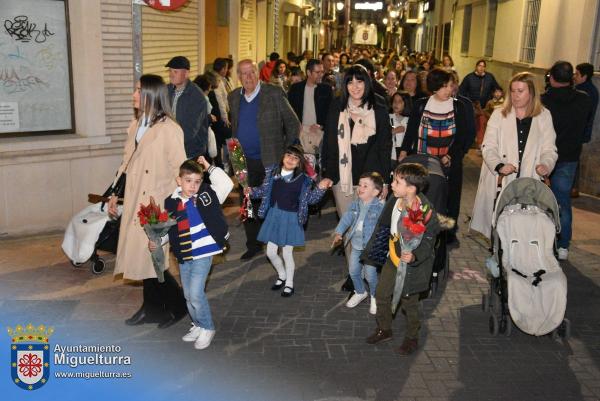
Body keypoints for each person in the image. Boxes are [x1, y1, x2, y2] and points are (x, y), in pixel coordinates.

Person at [107, 74, 187, 328]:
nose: (133, 94)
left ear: (151, 95)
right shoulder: (136, 125)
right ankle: (151, 308)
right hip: (135, 200)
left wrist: (181, 206)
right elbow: (125, 163)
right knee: (143, 261)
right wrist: (114, 194)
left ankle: (178, 306)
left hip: (157, 205)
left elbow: (181, 170)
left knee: (155, 261)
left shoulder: (170, 130)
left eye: (138, 90)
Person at [148, 158, 233, 349]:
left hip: (204, 252)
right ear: (179, 180)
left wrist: (208, 166)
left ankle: (208, 327)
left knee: (195, 293)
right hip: (185, 254)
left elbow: (227, 184)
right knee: (188, 295)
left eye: (197, 181)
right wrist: (158, 242)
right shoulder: (171, 202)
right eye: (188, 181)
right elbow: (168, 229)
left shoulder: (206, 195)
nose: (193, 186)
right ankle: (198, 324)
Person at [362, 163, 440, 355]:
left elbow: (429, 239)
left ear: (411, 188)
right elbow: (384, 224)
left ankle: (412, 337)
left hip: (412, 266)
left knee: (409, 303)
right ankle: (385, 328)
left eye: (397, 182)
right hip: (393, 257)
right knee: (382, 294)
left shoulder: (425, 211)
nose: (393, 185)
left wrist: (415, 255)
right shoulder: (395, 200)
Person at [470, 72, 558, 239]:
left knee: (524, 228)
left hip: (529, 179)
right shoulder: (499, 114)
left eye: (520, 91)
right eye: (513, 91)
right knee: (498, 222)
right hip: (502, 179)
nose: (515, 96)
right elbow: (488, 146)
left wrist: (546, 164)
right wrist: (499, 166)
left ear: (531, 92)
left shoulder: (543, 116)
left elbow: (549, 148)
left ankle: (520, 260)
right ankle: (497, 258)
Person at [228, 59, 300, 260]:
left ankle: (274, 242)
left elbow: (293, 123)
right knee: (248, 203)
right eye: (244, 74)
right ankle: (253, 244)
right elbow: (235, 126)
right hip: (243, 161)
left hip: (270, 160)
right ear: (238, 77)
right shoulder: (233, 97)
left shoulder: (274, 93)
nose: (248, 77)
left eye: (251, 72)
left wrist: (285, 153)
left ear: (258, 73)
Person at [400, 68, 475, 245]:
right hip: (423, 160)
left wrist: (452, 155)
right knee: (424, 195)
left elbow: (464, 136)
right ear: (435, 87)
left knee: (450, 197)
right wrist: (404, 151)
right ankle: (421, 227)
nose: (450, 90)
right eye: (446, 86)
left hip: (449, 161)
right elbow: (411, 131)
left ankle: (447, 233)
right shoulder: (421, 104)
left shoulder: (459, 106)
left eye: (450, 86)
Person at [247, 145, 333, 296]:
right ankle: (282, 274)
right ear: (283, 157)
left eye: (295, 158)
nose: (291, 159)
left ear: (300, 163)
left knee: (287, 253)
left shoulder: (303, 180)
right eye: (288, 155)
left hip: (291, 219)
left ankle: (289, 283)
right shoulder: (272, 173)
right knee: (270, 253)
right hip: (274, 216)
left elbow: (311, 199)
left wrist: (321, 187)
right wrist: (251, 191)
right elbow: (262, 191)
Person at [322, 64, 392, 219]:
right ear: (345, 85)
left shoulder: (378, 109)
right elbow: (329, 143)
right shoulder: (337, 107)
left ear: (366, 83)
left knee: (367, 230)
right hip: (342, 177)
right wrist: (328, 174)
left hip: (372, 179)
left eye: (359, 82)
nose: (355, 87)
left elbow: (385, 148)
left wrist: (385, 182)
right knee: (347, 229)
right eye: (350, 82)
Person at [541, 61, 592, 260]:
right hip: (569, 156)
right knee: (562, 201)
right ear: (571, 78)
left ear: (551, 78)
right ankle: (563, 246)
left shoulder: (543, 101)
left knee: (540, 200)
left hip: (545, 158)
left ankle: (543, 239)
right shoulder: (584, 100)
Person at [332, 172, 385, 314]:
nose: (360, 188)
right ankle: (360, 292)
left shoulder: (380, 208)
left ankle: (375, 296)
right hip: (356, 245)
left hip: (370, 248)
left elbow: (384, 227)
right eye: (360, 185)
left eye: (365, 186)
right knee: (353, 271)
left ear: (375, 191)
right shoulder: (355, 204)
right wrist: (339, 232)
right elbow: (346, 218)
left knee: (370, 275)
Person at [287, 59, 333, 159]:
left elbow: (331, 112)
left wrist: (322, 126)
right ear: (308, 72)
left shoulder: (326, 89)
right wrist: (296, 126)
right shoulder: (296, 89)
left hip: (318, 134)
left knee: (316, 167)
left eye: (322, 72)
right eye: (317, 72)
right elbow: (288, 112)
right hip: (300, 133)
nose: (321, 75)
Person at [166, 56, 209, 159]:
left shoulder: (196, 96)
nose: (171, 75)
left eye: (175, 72)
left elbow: (190, 131)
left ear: (186, 74)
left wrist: (170, 143)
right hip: (170, 148)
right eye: (170, 71)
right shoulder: (166, 90)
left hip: (190, 152)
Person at [571, 62, 599, 197]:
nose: (574, 76)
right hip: (581, 131)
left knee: (573, 159)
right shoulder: (590, 90)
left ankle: (574, 187)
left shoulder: (584, 92)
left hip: (578, 131)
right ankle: (574, 187)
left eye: (577, 74)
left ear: (584, 76)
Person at [459, 59, 500, 148]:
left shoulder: (489, 77)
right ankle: (469, 141)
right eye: (479, 66)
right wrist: (467, 102)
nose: (481, 68)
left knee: (481, 125)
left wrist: (497, 94)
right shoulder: (469, 77)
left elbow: (497, 88)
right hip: (471, 106)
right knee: (471, 125)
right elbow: (461, 91)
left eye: (483, 66)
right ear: (476, 66)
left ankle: (480, 143)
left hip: (484, 107)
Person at [389, 92, 410, 167]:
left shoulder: (410, 120)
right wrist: (394, 130)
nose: (396, 104)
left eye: (400, 101)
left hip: (405, 154)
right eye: (394, 101)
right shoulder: (387, 117)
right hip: (390, 155)